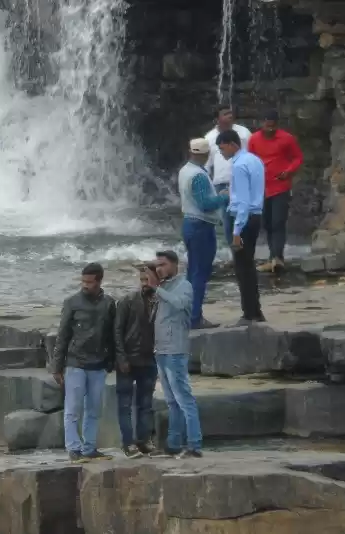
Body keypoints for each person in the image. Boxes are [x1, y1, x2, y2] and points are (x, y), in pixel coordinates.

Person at [53, 262, 116, 463]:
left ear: (99, 281)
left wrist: (112, 360)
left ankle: (89, 448)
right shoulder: (72, 303)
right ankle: (73, 449)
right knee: (73, 409)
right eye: (83, 281)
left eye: (89, 282)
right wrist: (57, 366)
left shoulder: (109, 304)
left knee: (94, 410)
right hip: (75, 363)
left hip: (98, 365)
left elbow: (112, 335)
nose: (85, 285)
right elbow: (62, 336)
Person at [146, 250, 203, 458]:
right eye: (157, 265)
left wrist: (157, 289)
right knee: (171, 401)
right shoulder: (163, 287)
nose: (159, 269)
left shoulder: (184, 285)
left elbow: (180, 304)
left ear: (174, 265)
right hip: (160, 350)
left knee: (184, 398)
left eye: (163, 265)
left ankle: (194, 445)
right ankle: (173, 443)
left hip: (175, 350)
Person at [178, 138, 230, 329]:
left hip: (189, 223)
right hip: (200, 226)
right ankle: (195, 318)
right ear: (206, 154)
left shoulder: (185, 170)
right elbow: (205, 204)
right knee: (200, 273)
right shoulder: (199, 175)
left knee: (192, 272)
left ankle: (187, 315)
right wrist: (223, 197)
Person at [216, 128, 266, 324]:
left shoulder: (238, 165)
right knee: (249, 266)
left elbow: (243, 202)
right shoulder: (255, 160)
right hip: (256, 215)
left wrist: (236, 231)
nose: (221, 153)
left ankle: (249, 313)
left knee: (242, 268)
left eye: (222, 149)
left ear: (232, 144)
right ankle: (256, 311)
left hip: (244, 218)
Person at [248, 109, 303, 274]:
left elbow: (298, 158)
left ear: (277, 124)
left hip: (280, 186)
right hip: (261, 188)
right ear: (261, 124)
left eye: (273, 126)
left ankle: (277, 257)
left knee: (278, 222)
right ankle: (272, 257)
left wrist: (289, 171)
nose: (270, 129)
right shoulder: (254, 139)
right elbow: (249, 160)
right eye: (267, 125)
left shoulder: (287, 138)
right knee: (266, 223)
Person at [113, 267, 158, 458]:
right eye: (142, 280)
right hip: (128, 360)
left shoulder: (161, 302)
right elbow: (117, 331)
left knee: (146, 404)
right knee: (125, 404)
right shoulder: (127, 301)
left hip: (149, 360)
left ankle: (143, 441)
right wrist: (121, 358)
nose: (144, 283)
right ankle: (128, 443)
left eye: (148, 279)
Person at [204, 106, 251, 242]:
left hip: (242, 182)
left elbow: (252, 155)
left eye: (230, 113)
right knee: (227, 221)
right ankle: (234, 250)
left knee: (243, 218)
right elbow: (206, 165)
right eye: (225, 114)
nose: (230, 116)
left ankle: (245, 249)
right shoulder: (209, 138)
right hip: (221, 184)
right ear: (217, 119)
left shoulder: (244, 133)